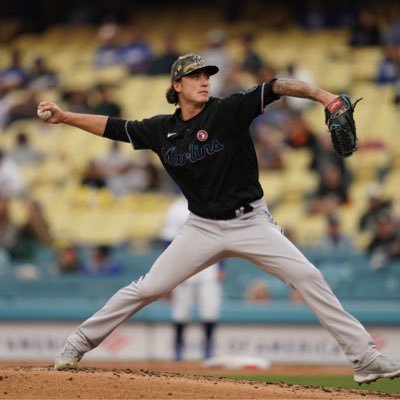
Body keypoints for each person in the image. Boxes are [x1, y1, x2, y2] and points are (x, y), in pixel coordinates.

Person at [38, 52, 400, 384]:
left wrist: (324, 97)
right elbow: (115, 127)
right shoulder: (161, 129)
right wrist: (65, 116)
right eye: (194, 76)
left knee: (308, 277)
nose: (204, 80)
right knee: (149, 288)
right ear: (177, 86)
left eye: (206, 74)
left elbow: (276, 86)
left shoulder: (229, 109)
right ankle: (77, 342)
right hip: (202, 228)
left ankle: (364, 358)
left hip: (251, 222)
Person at [159, 196, 224, 360]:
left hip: (209, 263)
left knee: (210, 309)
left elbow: (223, 238)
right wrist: (171, 270)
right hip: (184, 263)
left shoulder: (213, 201)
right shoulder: (177, 208)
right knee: (181, 310)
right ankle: (178, 348)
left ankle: (208, 348)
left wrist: (222, 266)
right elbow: (168, 241)